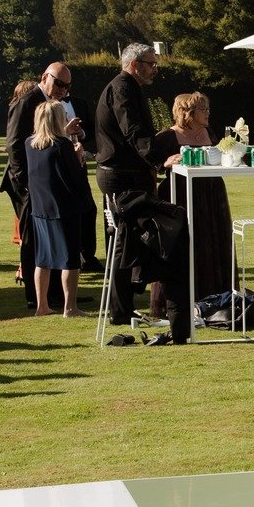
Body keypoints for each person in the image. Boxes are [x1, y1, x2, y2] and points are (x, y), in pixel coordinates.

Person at [95, 43, 189, 344]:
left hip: (126, 175)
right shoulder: (122, 87)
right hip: (121, 178)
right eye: (151, 64)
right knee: (125, 240)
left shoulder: (127, 86)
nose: (155, 69)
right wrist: (159, 159)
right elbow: (132, 129)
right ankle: (121, 308)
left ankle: (123, 307)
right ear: (135, 64)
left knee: (126, 240)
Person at [4, 63, 82, 311]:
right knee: (34, 242)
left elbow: (45, 138)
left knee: (48, 242)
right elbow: (14, 144)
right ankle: (36, 298)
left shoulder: (49, 103)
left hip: (45, 181)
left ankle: (54, 296)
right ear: (45, 77)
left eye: (67, 86)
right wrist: (25, 183)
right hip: (31, 182)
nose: (62, 90)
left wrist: (64, 133)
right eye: (58, 83)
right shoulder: (27, 102)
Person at [154, 92, 232, 306]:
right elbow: (152, 164)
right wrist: (166, 163)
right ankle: (181, 301)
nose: (207, 113)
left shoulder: (209, 132)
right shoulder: (166, 137)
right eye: (202, 109)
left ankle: (215, 298)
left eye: (208, 109)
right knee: (185, 243)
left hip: (212, 194)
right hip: (180, 195)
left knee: (212, 241)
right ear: (186, 113)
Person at [24, 100, 89, 318]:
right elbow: (74, 177)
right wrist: (79, 157)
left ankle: (42, 306)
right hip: (64, 208)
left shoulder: (30, 144)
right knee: (70, 259)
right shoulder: (62, 146)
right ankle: (70, 307)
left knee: (42, 259)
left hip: (40, 207)